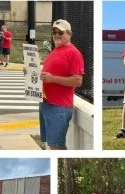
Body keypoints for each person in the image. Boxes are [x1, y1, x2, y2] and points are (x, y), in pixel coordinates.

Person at [39, 19, 84, 150]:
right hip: (46, 102)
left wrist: (53, 79)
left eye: (61, 32)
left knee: (56, 146)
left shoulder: (73, 53)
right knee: (54, 145)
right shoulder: (55, 51)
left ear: (69, 34)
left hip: (59, 106)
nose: (57, 35)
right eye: (54, 32)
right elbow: (47, 74)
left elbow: (78, 80)